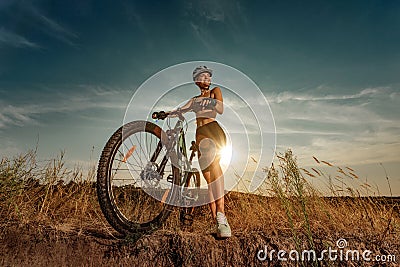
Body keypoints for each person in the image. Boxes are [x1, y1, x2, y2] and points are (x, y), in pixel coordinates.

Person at [167, 66, 231, 238]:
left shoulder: (215, 92)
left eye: (208, 76)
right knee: (208, 178)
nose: (206, 78)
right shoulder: (194, 99)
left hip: (213, 129)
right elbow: (181, 110)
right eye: (203, 76)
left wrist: (209, 101)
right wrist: (166, 114)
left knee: (215, 169)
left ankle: (222, 215)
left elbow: (221, 109)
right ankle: (216, 221)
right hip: (199, 134)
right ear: (196, 80)